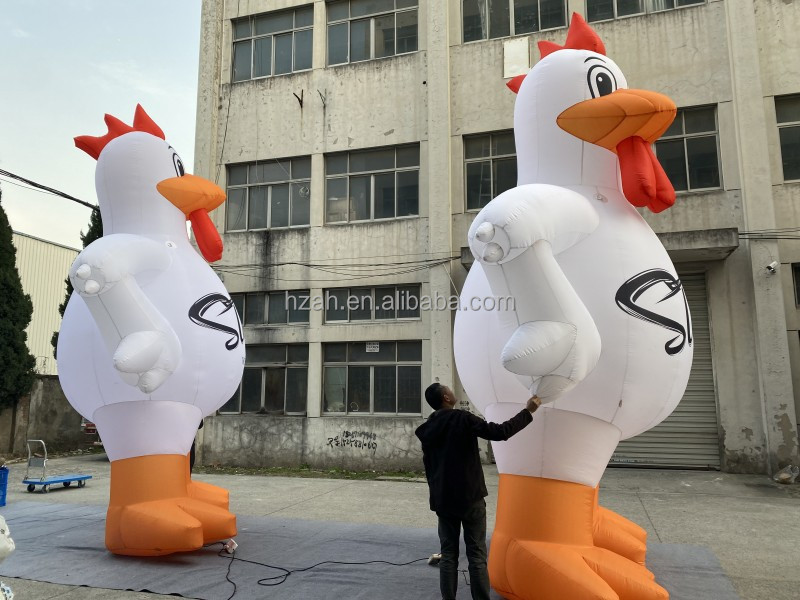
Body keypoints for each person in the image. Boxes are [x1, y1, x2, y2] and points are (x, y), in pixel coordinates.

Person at [415, 383, 540, 600]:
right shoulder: (462, 419)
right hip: (470, 498)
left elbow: (430, 468)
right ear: (446, 397)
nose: (452, 391)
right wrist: (528, 411)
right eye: (449, 389)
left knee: (448, 555)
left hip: (443, 501)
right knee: (477, 556)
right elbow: (500, 432)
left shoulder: (427, 430)